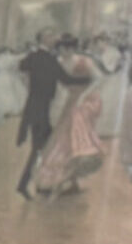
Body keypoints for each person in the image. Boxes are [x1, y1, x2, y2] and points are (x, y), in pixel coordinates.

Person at [31, 34, 105, 198]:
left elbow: (99, 79)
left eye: (69, 48)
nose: (66, 52)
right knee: (64, 139)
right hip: (70, 102)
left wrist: (84, 94)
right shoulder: (58, 63)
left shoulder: (84, 61)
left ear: (74, 48)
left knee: (72, 138)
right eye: (64, 48)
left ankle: (64, 181)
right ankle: (68, 181)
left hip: (84, 103)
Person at [17, 28, 83, 199]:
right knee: (40, 149)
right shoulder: (45, 57)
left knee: (46, 149)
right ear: (44, 38)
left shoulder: (37, 56)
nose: (55, 37)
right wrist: (89, 80)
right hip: (40, 110)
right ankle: (26, 184)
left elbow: (21, 68)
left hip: (39, 109)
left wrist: (28, 86)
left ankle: (41, 184)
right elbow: (66, 79)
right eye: (51, 35)